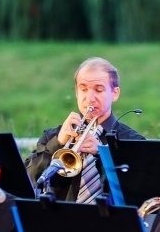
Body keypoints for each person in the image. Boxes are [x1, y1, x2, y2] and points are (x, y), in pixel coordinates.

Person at [25, 56, 145, 202]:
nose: (90, 98)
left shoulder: (133, 141)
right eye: (83, 89)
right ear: (76, 92)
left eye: (99, 90)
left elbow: (137, 190)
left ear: (114, 94)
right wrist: (57, 143)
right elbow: (29, 179)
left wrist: (102, 153)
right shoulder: (53, 136)